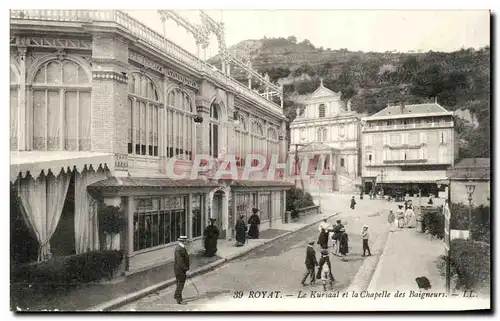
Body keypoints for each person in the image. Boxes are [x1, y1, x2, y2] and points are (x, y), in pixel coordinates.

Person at [173, 236, 190, 305]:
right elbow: (180, 262)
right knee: (180, 284)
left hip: (180, 269)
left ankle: (178, 297)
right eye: (186, 241)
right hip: (180, 270)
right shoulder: (178, 249)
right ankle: (178, 299)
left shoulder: (181, 247)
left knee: (179, 284)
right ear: (183, 241)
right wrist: (186, 269)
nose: (187, 242)